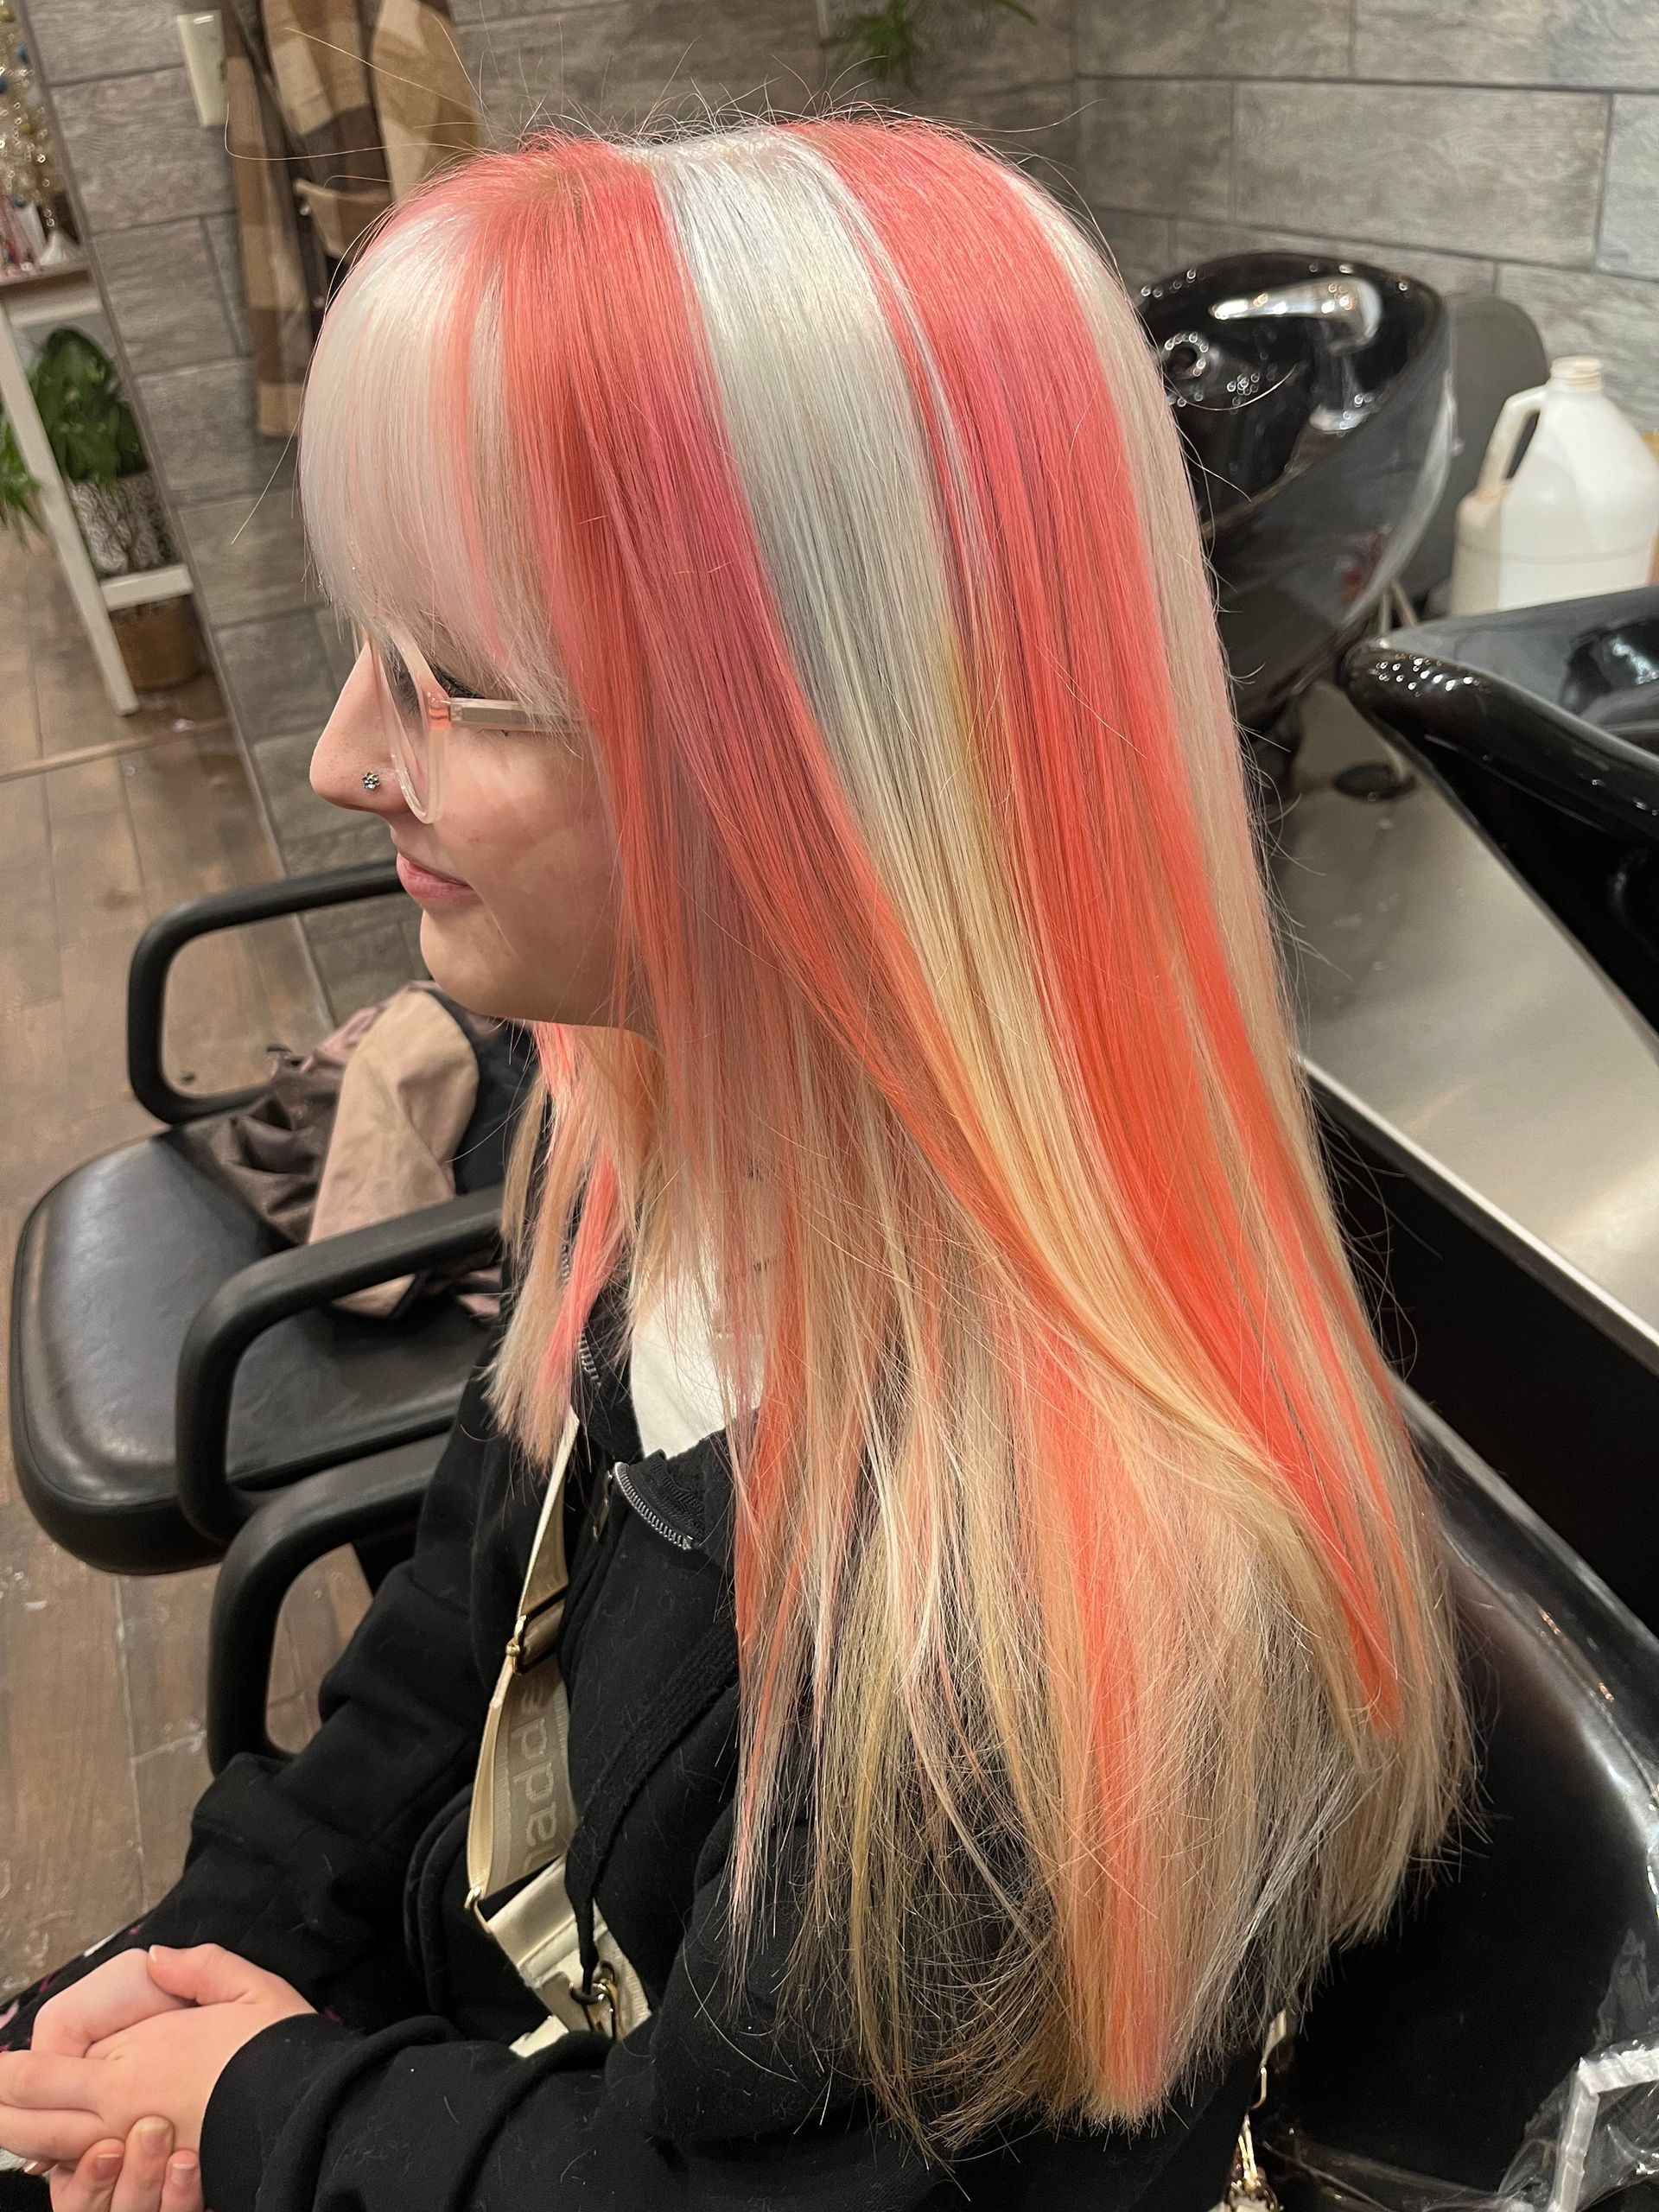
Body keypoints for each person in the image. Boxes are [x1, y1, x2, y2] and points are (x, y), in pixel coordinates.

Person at [0, 111, 1470, 2212]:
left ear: (805, 762)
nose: (342, 757)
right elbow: (454, 1623)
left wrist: (268, 2111)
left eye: (446, 678)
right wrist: (214, 1955)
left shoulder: (1033, 1652)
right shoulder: (644, 1143)